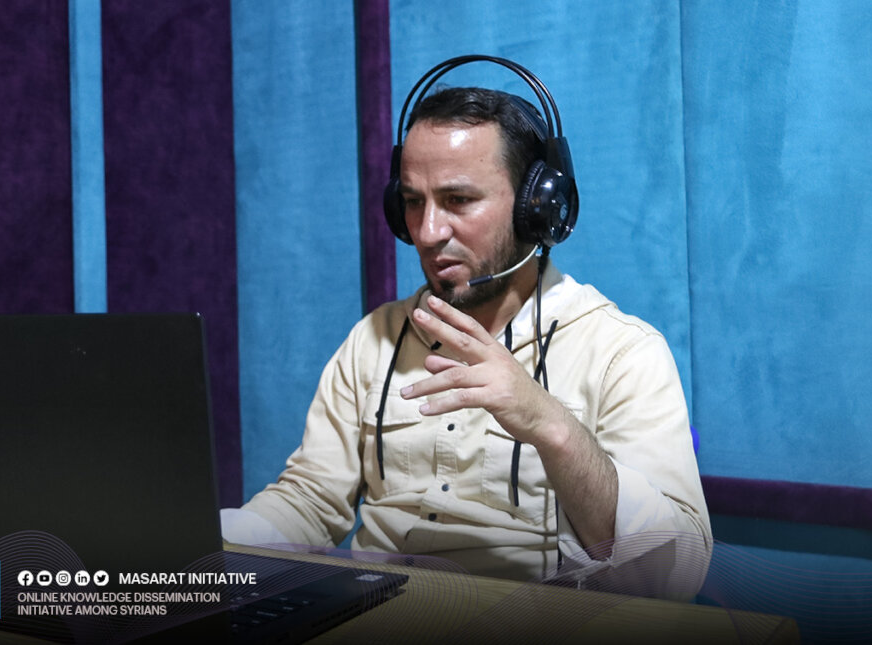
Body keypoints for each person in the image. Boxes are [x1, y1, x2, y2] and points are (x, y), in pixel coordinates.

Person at [223, 71, 711, 593]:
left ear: (536, 209)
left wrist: (548, 423)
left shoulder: (622, 352)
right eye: (413, 201)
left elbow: (676, 574)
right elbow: (309, 502)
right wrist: (196, 548)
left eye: (457, 200)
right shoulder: (373, 339)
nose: (427, 232)